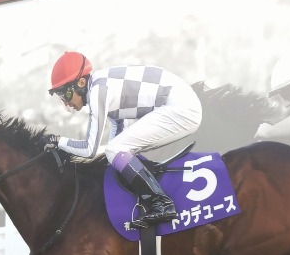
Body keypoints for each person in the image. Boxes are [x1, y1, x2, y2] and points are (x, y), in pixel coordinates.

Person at [46, 51, 202, 228]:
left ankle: (161, 204)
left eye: (65, 95)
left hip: (181, 107)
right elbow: (119, 130)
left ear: (81, 83)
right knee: (117, 150)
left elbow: (90, 150)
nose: (66, 103)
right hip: (179, 104)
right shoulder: (101, 86)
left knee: (115, 150)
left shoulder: (99, 91)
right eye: (60, 97)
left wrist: (58, 141)